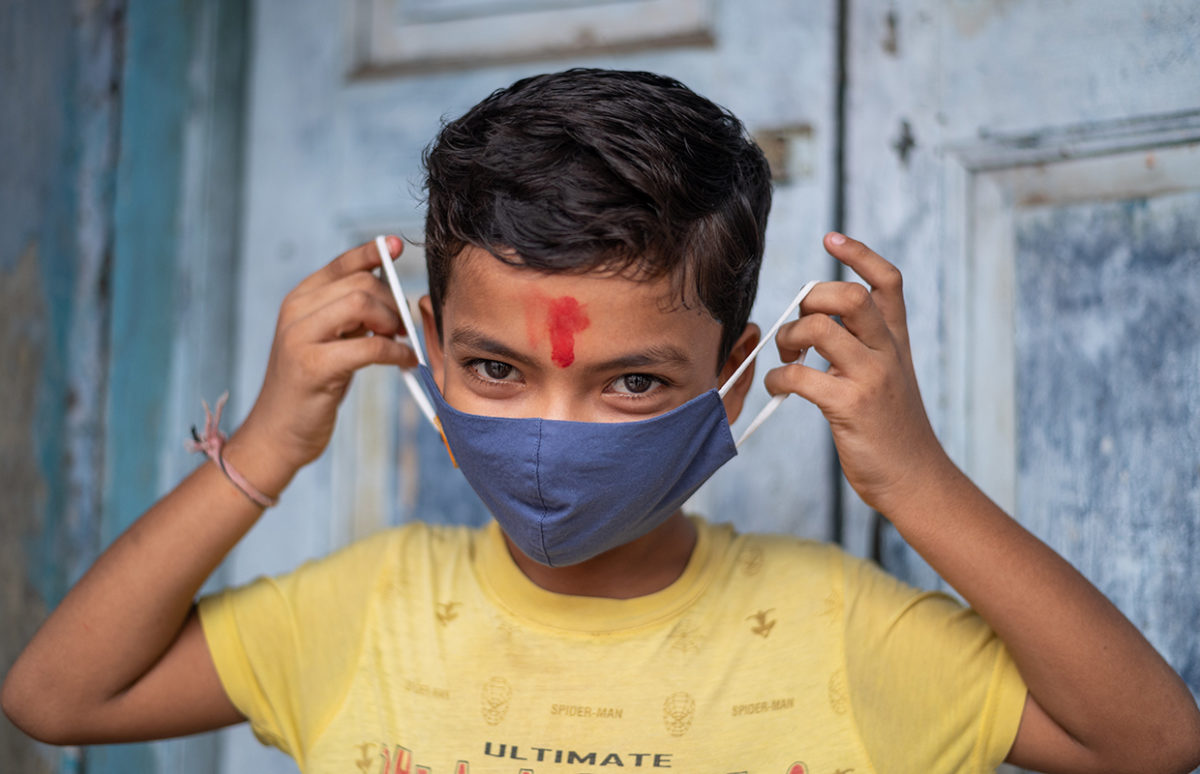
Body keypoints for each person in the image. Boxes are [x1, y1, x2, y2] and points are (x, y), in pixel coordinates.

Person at [4, 68, 1199, 774]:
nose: (550, 430)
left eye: (631, 382)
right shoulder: (362, 613)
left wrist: (920, 482)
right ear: (421, 343)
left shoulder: (839, 629)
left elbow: (1151, 742)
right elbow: (57, 699)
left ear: (737, 380)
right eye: (493, 368)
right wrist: (266, 445)